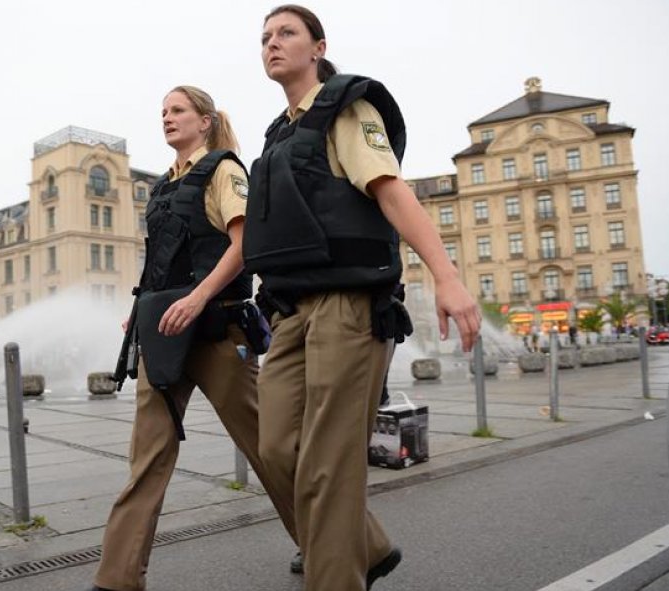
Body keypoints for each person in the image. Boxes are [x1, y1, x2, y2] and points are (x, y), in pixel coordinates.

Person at [246, 6, 481, 590]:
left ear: (318, 47)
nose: (273, 44)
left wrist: (446, 276)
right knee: (275, 449)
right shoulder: (279, 132)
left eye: (287, 34)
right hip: (291, 313)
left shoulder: (347, 109)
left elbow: (391, 191)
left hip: (348, 307)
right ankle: (370, 545)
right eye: (266, 37)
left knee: (328, 467)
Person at [91, 85, 296, 591]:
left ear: (205, 121)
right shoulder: (163, 186)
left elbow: (245, 245)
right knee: (147, 457)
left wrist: (197, 298)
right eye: (162, 112)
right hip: (163, 336)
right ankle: (117, 579)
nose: (167, 118)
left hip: (219, 331)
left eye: (178, 110)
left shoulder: (225, 170)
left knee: (268, 448)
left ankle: (336, 543)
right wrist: (142, 309)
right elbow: (161, 263)